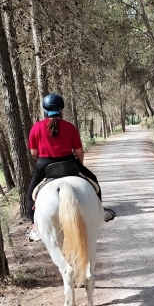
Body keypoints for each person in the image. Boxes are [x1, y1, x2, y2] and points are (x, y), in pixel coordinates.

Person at [25, 93, 114, 240]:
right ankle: (101, 212)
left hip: (45, 164)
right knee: (94, 181)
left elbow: (34, 153)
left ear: (45, 110)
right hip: (69, 163)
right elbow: (79, 151)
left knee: (29, 196)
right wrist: (80, 165)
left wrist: (44, 158)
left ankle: (35, 227)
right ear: (61, 110)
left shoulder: (36, 127)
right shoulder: (70, 127)